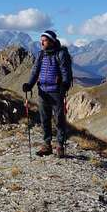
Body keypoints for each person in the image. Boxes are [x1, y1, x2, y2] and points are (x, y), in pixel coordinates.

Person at [22, 30, 72, 158]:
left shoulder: (61, 54)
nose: (41, 42)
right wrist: (29, 84)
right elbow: (35, 71)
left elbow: (65, 71)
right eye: (41, 40)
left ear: (51, 41)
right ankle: (47, 145)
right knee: (44, 119)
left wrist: (65, 84)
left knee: (59, 120)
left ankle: (60, 145)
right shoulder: (41, 55)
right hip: (42, 91)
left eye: (44, 40)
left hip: (56, 91)